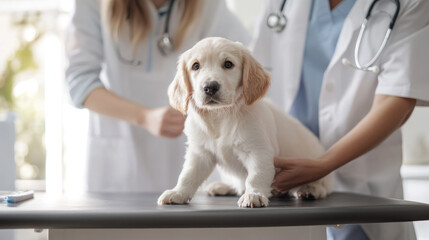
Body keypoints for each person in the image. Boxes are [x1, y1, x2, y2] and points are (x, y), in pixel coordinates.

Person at [252, 0, 429, 239]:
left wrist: (323, 164)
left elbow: (396, 98)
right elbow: (253, 78)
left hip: (362, 188)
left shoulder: (411, 3)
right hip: (285, 184)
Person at [65, 0, 250, 193]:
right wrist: (145, 117)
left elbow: (241, 70)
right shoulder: (92, 4)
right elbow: (80, 84)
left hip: (196, 152)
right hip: (119, 160)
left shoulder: (209, 6)